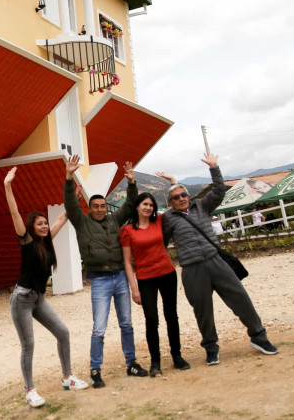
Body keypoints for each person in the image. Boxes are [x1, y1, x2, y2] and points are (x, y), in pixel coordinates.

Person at [158, 154, 278, 366]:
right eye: (176, 197)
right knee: (203, 311)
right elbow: (160, 242)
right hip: (192, 269)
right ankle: (211, 348)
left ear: (188, 195)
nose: (181, 199)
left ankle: (260, 337)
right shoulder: (168, 219)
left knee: (241, 298)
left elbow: (219, 190)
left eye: (183, 195)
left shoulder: (202, 206)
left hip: (216, 261)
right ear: (170, 202)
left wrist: (214, 167)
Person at [4, 167, 89, 408]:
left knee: (63, 332)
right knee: (28, 344)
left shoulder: (47, 241)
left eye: (45, 223)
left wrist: (75, 196)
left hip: (39, 298)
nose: (44, 226)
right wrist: (7, 185)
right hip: (21, 299)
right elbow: (13, 212)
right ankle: (29, 390)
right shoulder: (26, 241)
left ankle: (67, 377)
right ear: (31, 227)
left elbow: (63, 216)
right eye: (39, 223)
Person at [63, 155, 145, 388]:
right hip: (99, 280)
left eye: (102, 206)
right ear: (89, 208)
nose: (99, 209)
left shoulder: (114, 220)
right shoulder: (82, 222)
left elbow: (130, 205)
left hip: (120, 277)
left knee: (126, 324)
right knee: (99, 328)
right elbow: (70, 204)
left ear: (107, 208)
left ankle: (131, 363)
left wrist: (131, 183)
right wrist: (69, 178)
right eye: (95, 206)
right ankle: (95, 370)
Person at [120, 192, 191, 377]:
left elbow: (177, 204)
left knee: (171, 315)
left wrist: (173, 181)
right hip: (145, 278)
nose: (148, 208)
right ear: (137, 206)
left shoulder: (159, 221)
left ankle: (177, 355)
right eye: (145, 204)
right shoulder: (127, 230)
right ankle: (156, 361)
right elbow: (127, 262)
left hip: (167, 273)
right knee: (151, 319)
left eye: (151, 205)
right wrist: (133, 288)